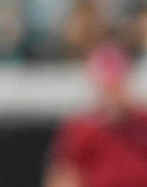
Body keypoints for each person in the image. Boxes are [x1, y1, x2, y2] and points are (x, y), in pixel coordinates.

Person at [45, 42, 147, 187]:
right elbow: (63, 178)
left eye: (116, 85)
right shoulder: (82, 130)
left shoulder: (142, 122)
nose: (111, 93)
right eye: (106, 86)